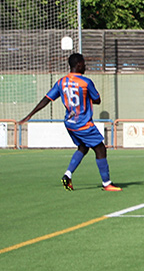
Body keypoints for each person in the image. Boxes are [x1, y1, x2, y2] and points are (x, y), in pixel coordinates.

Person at [19, 53, 121, 192]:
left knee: (83, 148)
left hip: (70, 123)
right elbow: (97, 100)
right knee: (100, 149)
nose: (85, 66)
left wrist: (30, 114)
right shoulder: (86, 82)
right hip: (83, 124)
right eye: (84, 63)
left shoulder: (61, 82)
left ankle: (68, 174)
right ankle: (107, 183)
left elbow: (47, 98)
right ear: (78, 64)